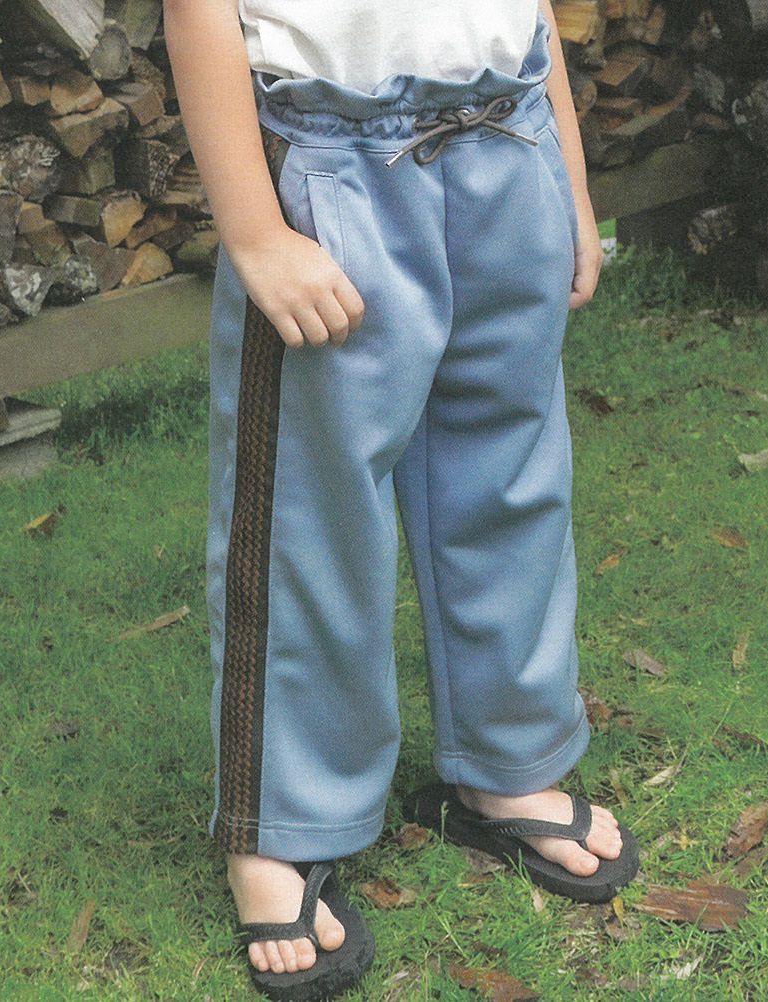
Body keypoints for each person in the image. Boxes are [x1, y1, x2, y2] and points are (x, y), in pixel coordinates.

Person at [163, 0, 640, 997]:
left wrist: (569, 179)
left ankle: (509, 763)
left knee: (510, 479)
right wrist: (255, 232)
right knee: (308, 511)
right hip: (336, 170)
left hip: (509, 139)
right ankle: (283, 825)